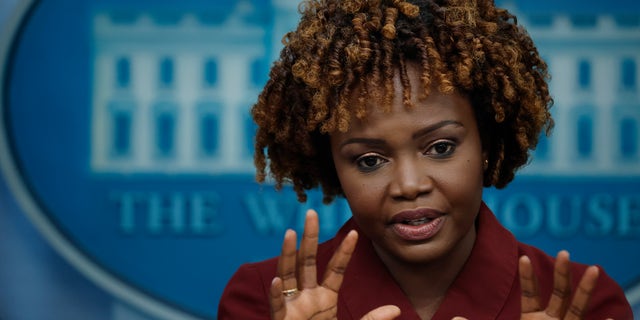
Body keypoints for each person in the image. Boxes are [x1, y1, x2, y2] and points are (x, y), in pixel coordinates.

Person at [218, 0, 633, 319]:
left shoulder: (585, 302)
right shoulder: (262, 299)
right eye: (369, 160)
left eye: (440, 148)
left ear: (486, 143)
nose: (409, 184)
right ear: (331, 167)